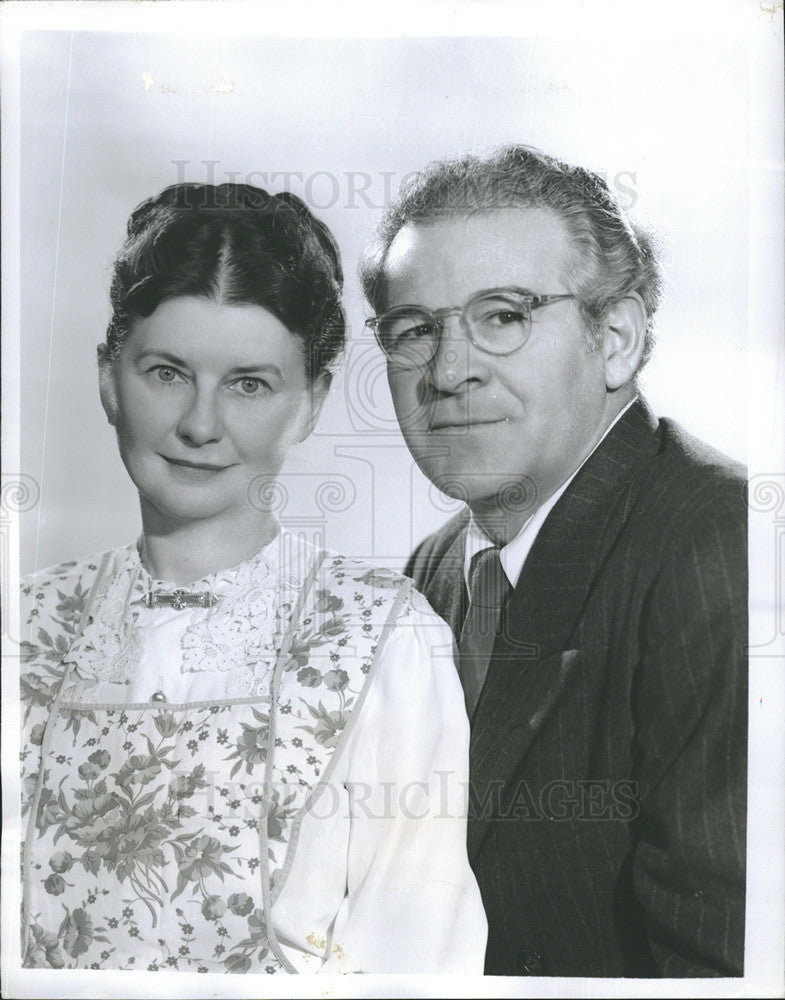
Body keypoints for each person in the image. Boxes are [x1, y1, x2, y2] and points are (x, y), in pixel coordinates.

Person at [19, 182, 486, 974]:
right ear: (108, 378)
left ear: (310, 403)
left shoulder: (384, 638)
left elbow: (420, 960)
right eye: (167, 373)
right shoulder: (21, 625)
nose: (201, 425)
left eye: (248, 384)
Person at [360, 145, 747, 977]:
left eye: (501, 316)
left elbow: (722, 963)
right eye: (415, 330)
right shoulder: (430, 573)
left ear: (614, 339)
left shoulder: (723, 545)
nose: (449, 370)